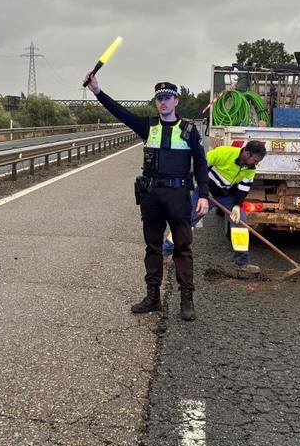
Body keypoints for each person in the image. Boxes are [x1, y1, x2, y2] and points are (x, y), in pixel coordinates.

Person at [84, 73, 209, 321]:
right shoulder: (148, 126)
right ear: (156, 102)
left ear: (176, 100)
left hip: (178, 196)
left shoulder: (189, 130)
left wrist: (203, 194)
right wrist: (98, 91)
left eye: (168, 97)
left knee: (182, 248)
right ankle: (153, 297)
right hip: (152, 195)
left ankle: (186, 299)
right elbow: (120, 112)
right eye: (159, 98)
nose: (163, 102)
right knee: (152, 247)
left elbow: (201, 162)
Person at [163, 141, 266, 273]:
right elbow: (200, 165)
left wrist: (236, 206)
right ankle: (165, 251)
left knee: (240, 222)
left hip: (226, 195)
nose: (256, 163)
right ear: (246, 153)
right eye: (255, 160)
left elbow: (244, 188)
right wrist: (203, 190)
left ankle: (242, 262)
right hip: (206, 192)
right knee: (189, 220)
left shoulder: (250, 168)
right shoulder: (223, 153)